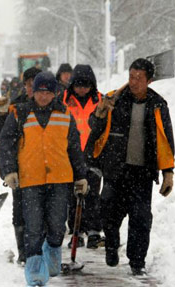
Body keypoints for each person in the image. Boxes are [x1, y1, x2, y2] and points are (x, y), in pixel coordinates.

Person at [0, 71, 89, 286]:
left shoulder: (64, 114)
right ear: (34, 92)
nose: (43, 96)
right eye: (39, 91)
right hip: (30, 180)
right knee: (34, 226)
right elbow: (5, 143)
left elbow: (74, 148)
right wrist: (9, 171)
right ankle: (35, 270)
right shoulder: (20, 113)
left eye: (48, 92)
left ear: (55, 93)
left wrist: (80, 176)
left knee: (57, 225)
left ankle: (52, 252)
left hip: (60, 179)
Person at [88, 58, 175, 276]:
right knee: (108, 212)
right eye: (131, 77)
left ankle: (137, 262)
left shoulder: (158, 105)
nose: (134, 82)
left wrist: (168, 173)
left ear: (149, 81)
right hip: (115, 170)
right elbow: (94, 126)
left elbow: (166, 140)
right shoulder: (114, 99)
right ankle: (111, 244)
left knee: (141, 218)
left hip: (142, 172)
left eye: (139, 78)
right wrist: (100, 111)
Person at [0, 67, 41, 265]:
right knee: (20, 211)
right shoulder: (16, 106)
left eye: (36, 84)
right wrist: (0, 115)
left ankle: (40, 250)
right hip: (20, 168)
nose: (32, 89)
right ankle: (24, 253)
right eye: (29, 85)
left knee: (44, 212)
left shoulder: (53, 106)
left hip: (45, 168)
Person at [63, 64, 105, 249]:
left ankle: (94, 231)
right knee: (73, 196)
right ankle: (76, 231)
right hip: (70, 153)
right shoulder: (63, 100)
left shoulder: (101, 100)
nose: (81, 89)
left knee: (93, 194)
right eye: (78, 85)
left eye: (85, 85)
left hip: (94, 152)